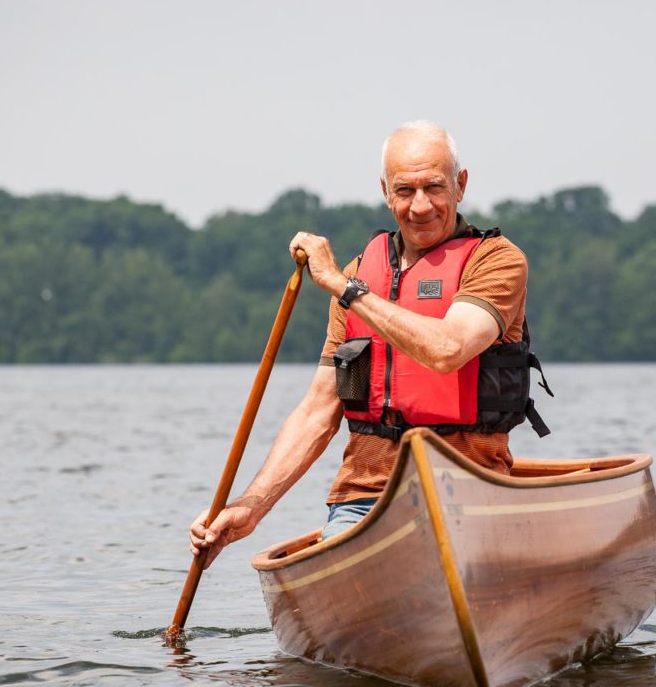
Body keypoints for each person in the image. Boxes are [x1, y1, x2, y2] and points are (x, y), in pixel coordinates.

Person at [189, 120, 550, 568]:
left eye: (434, 187)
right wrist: (249, 508)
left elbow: (448, 349)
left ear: (460, 185)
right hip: (365, 499)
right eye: (404, 190)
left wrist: (347, 289)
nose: (420, 206)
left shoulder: (496, 260)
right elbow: (320, 411)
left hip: (470, 489)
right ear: (385, 191)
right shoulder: (362, 275)